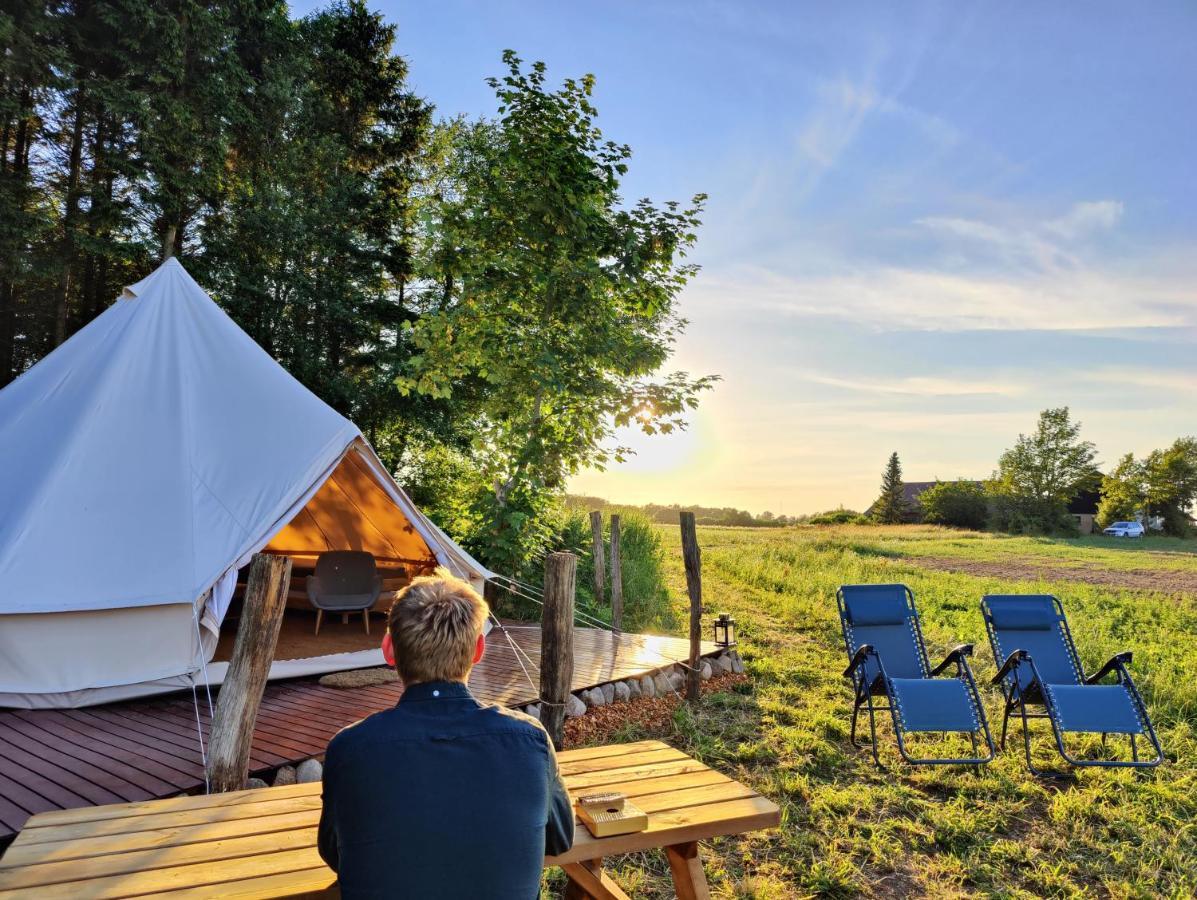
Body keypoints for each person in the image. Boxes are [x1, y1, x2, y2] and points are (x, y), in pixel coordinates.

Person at [318, 570, 574, 899]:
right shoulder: (530, 742)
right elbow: (560, 837)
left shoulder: (349, 750)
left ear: (389, 650)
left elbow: (335, 853)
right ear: (478, 649)